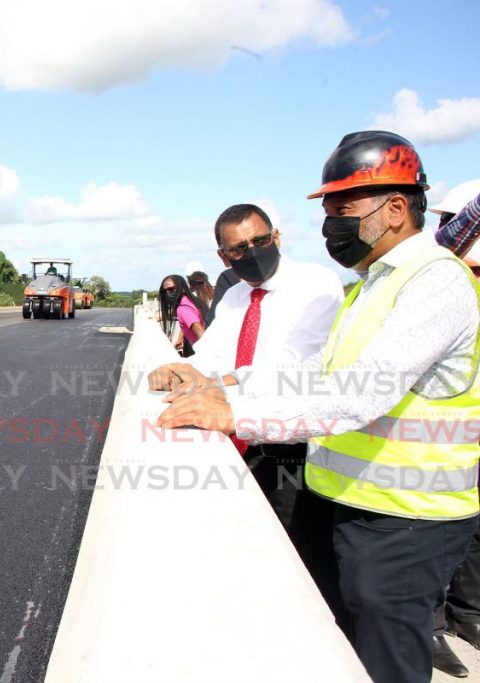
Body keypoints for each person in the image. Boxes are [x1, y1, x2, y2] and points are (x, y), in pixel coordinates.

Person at [158, 131, 480, 683]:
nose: (330, 222)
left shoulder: (434, 284)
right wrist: (224, 389)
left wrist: (233, 413)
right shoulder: (372, 286)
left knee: (386, 662)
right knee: (338, 648)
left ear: (397, 207)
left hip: (406, 520)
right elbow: (318, 375)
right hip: (354, 503)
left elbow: (357, 395)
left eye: (342, 207)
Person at [149, 204, 344, 612]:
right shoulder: (237, 296)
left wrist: (216, 382)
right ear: (224, 257)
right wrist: (178, 370)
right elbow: (213, 355)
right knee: (251, 556)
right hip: (245, 443)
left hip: (296, 448)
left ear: (276, 237)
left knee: (304, 567)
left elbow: (297, 368)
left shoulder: (316, 286)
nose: (252, 252)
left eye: (259, 241)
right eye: (239, 248)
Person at [430, 179, 480, 678]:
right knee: (441, 543)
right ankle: (434, 627)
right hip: (438, 444)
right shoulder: (443, 280)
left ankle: (469, 617)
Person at [158, 274, 207, 357]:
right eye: (164, 291)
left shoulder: (183, 309)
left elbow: (203, 336)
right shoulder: (190, 301)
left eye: (171, 289)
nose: (168, 293)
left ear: (182, 288)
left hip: (202, 353)